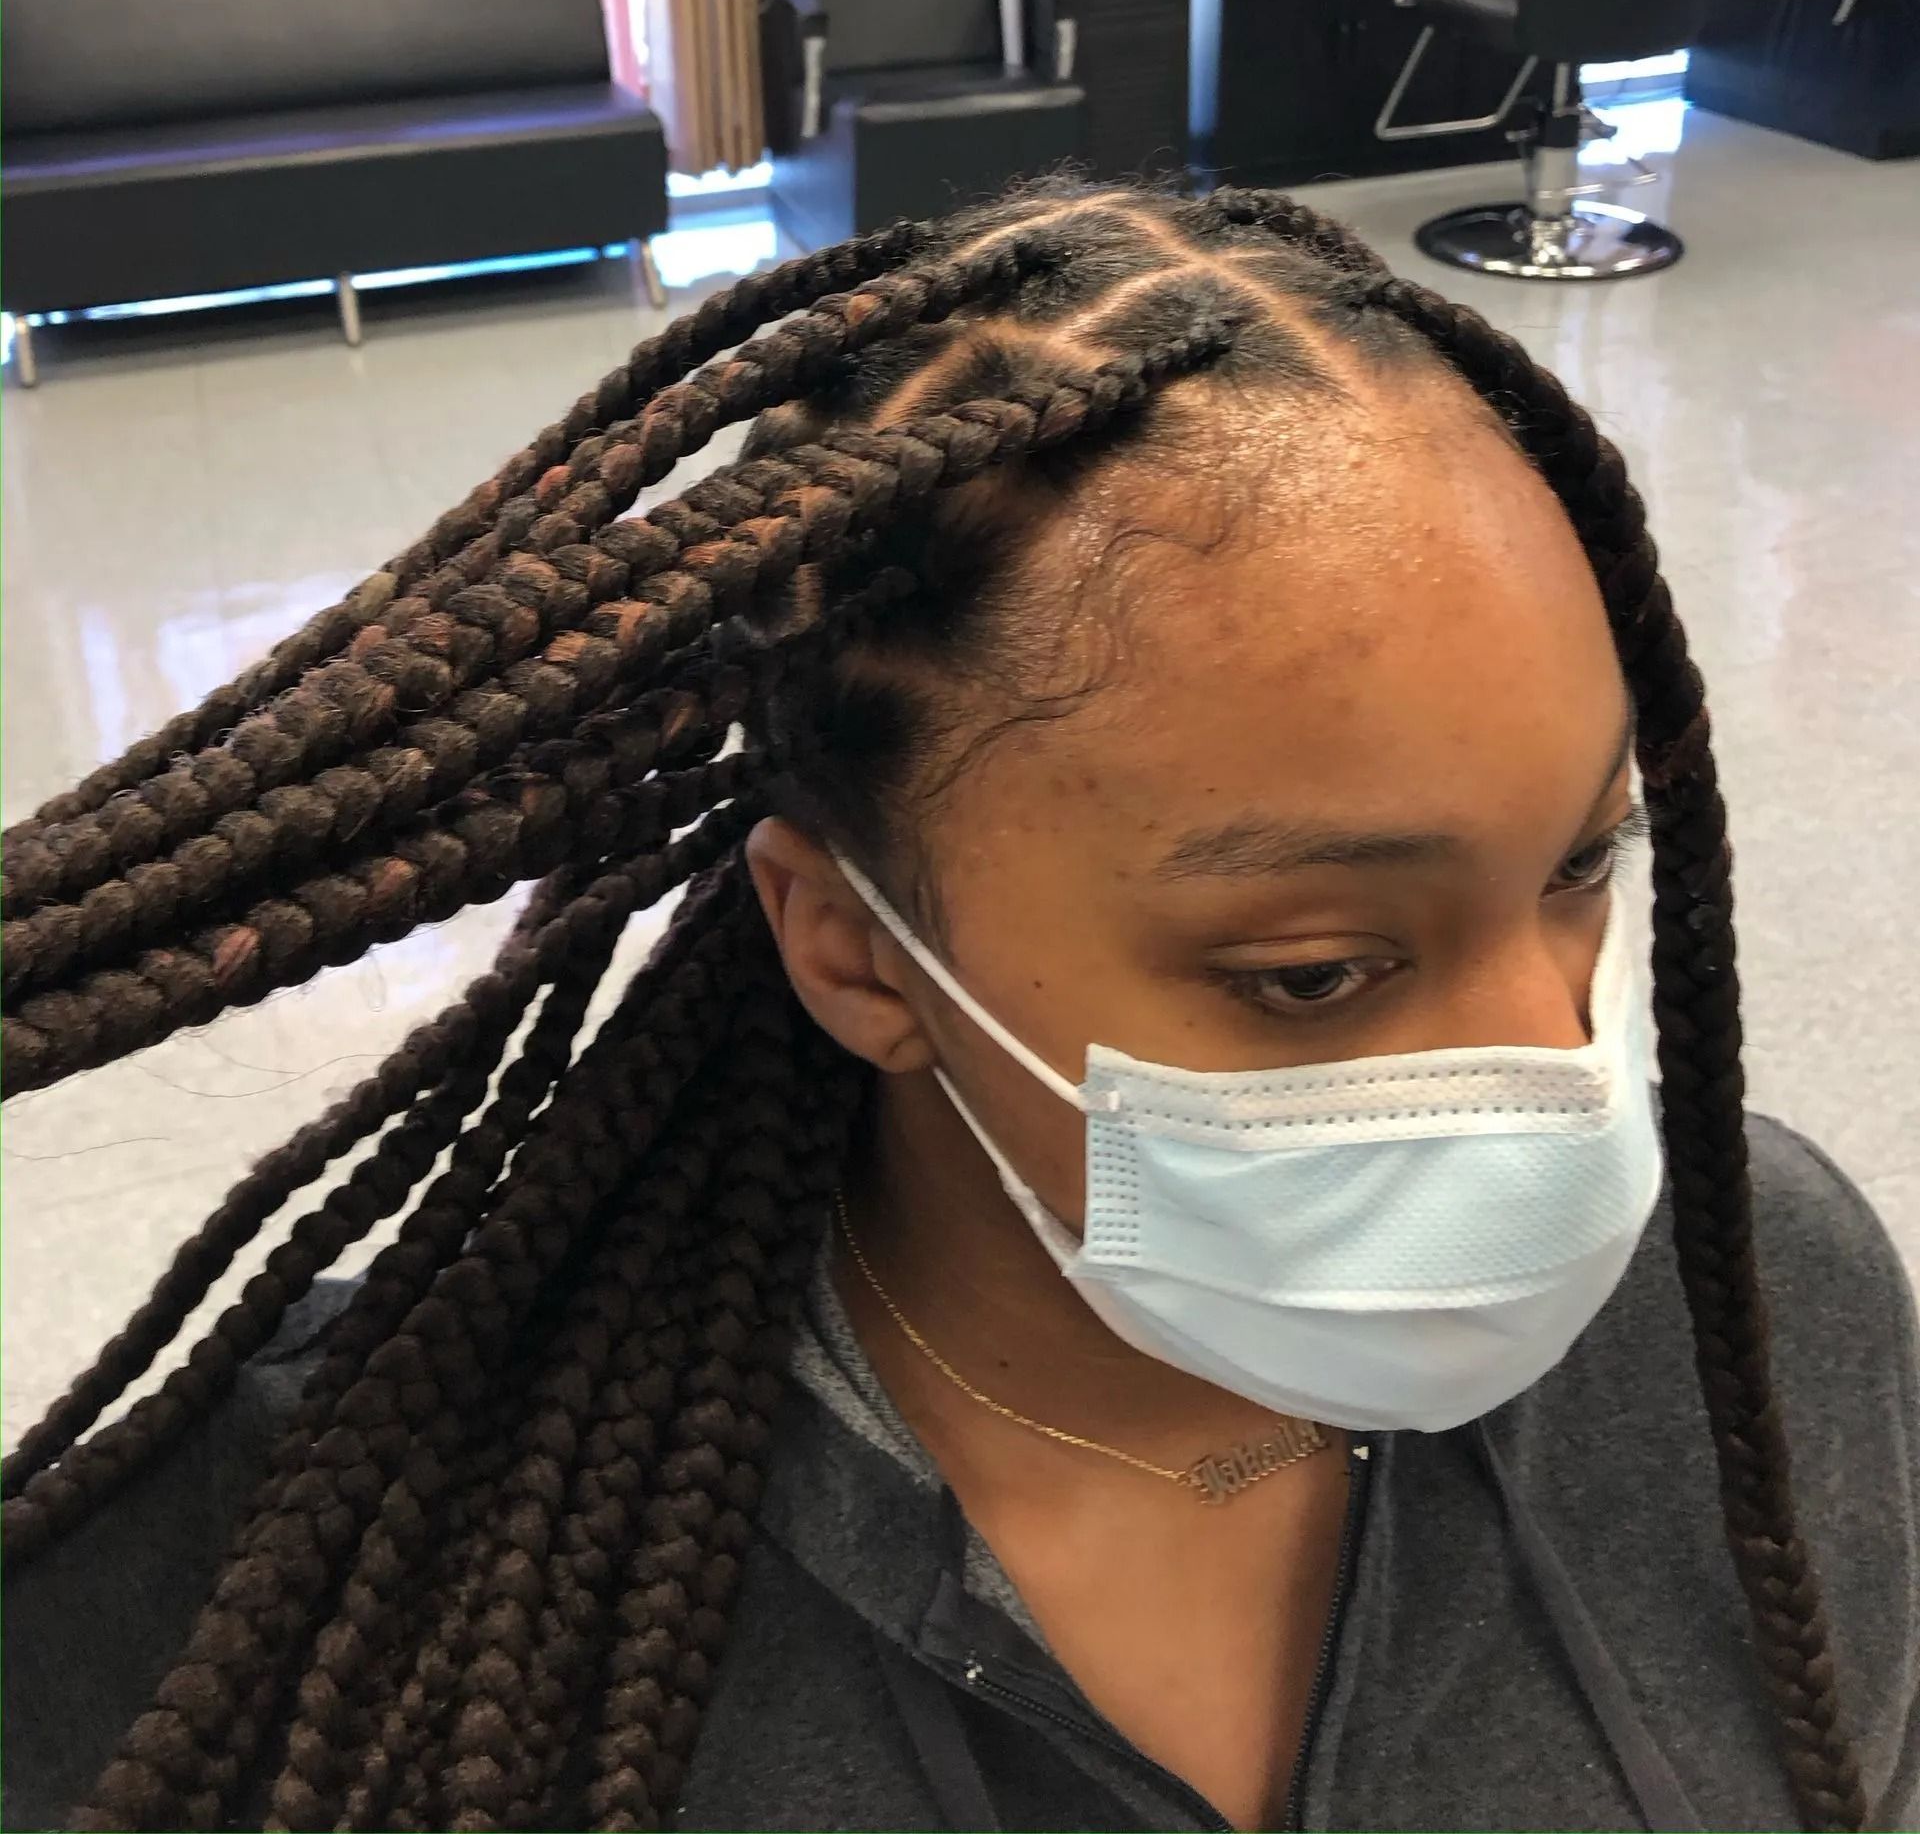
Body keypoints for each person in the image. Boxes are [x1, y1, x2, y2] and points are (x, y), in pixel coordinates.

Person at [3, 179, 1915, 1834]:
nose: (1550, 1068)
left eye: (1578, 868)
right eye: (1313, 972)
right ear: (851, 947)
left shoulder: (1771, 1305)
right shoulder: (310, 1559)